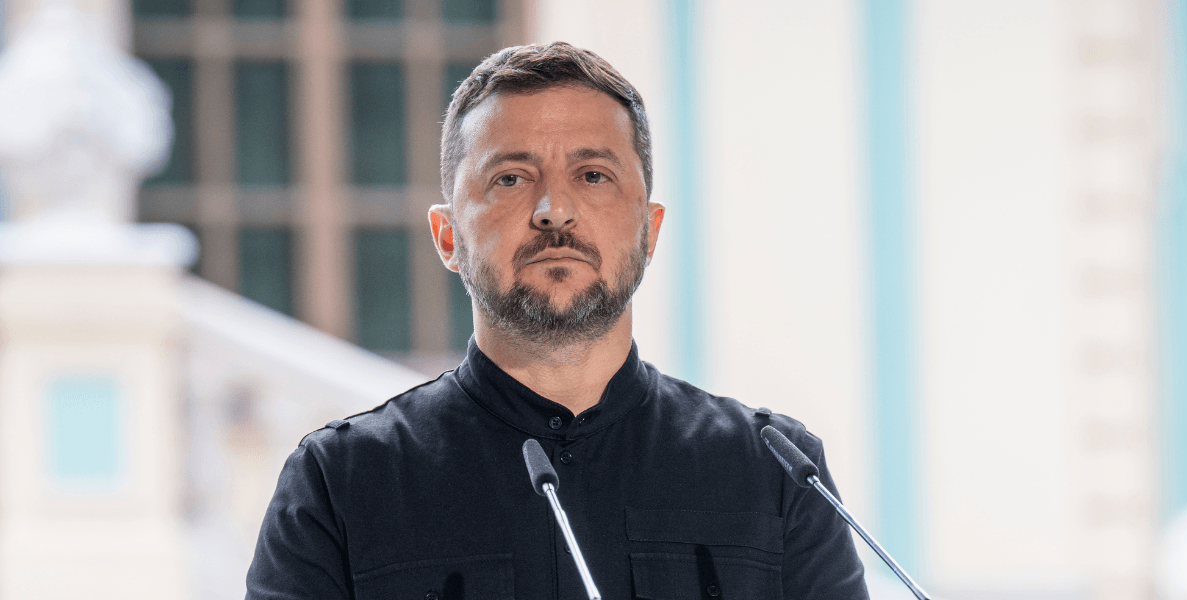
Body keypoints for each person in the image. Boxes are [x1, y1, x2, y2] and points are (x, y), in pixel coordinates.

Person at [246, 41, 868, 600]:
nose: (554, 211)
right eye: (511, 178)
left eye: (593, 176)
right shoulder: (342, 483)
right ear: (448, 236)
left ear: (649, 231)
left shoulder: (777, 474)